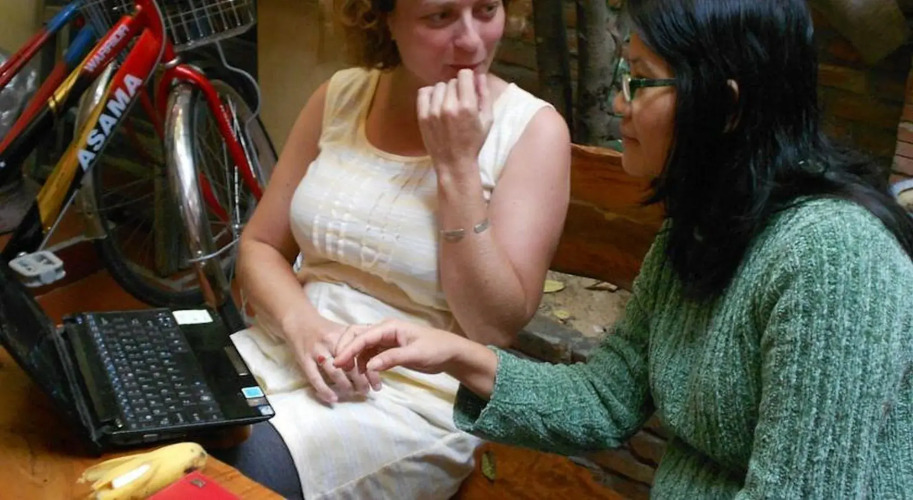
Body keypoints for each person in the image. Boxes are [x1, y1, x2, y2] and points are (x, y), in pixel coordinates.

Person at [335, 0, 913, 497]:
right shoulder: (704, 225)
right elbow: (607, 397)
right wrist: (453, 354)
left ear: (727, 105)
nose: (619, 102)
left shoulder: (835, 259)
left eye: (640, 79)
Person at [216, 0, 571, 497]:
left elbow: (492, 327)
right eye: (440, 17)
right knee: (141, 429)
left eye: (486, 9)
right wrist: (302, 324)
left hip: (407, 398)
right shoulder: (341, 95)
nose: (472, 40)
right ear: (382, 18)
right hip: (284, 350)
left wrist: (457, 167)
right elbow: (260, 245)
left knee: (224, 474)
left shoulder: (531, 130)